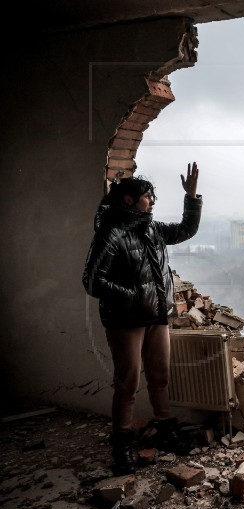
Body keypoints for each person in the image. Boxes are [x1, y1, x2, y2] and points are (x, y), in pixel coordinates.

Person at [83, 163, 202, 475]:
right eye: (148, 196)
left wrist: (191, 198)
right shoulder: (111, 234)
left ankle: (165, 431)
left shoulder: (152, 228)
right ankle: (121, 445)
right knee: (127, 382)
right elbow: (93, 281)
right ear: (128, 201)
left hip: (157, 317)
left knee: (160, 376)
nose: (152, 201)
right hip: (126, 321)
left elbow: (186, 229)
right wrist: (134, 295)